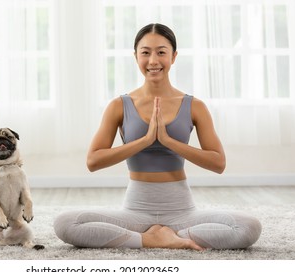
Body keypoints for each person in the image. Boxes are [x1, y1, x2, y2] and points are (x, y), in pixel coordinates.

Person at [53, 23, 262, 250]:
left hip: (182, 211)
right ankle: (153, 239)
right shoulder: (119, 106)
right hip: (135, 211)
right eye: (145, 53)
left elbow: (218, 163)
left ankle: (169, 235)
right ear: (136, 57)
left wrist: (168, 141)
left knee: (248, 226)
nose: (153, 61)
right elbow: (93, 161)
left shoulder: (195, 106)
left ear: (173, 57)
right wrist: (144, 140)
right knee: (65, 223)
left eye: (161, 52)